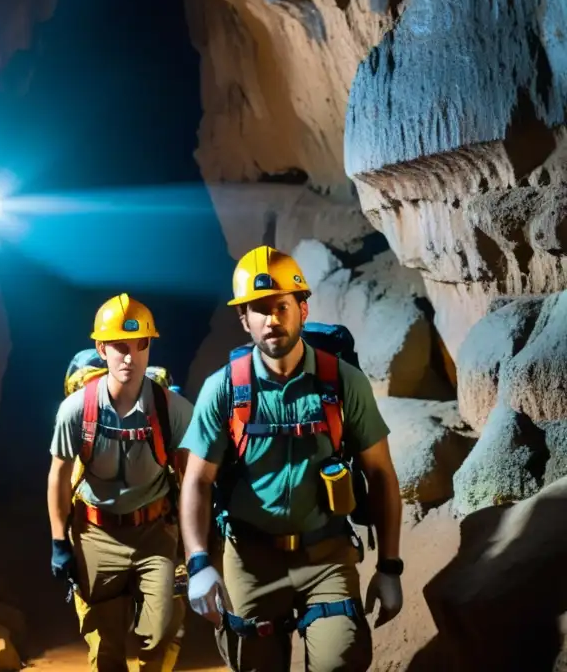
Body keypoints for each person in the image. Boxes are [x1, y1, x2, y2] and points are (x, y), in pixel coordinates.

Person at [178, 246, 404, 671]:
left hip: (327, 556)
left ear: (302, 307)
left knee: (340, 661)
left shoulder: (342, 383)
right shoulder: (224, 390)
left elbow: (381, 473)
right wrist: (199, 563)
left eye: (281, 306)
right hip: (250, 560)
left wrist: (390, 565)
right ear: (244, 320)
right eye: (258, 310)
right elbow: (197, 481)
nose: (272, 320)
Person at [47, 293, 195, 671]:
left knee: (161, 629)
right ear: (102, 348)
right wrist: (59, 542)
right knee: (105, 642)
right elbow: (59, 477)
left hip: (155, 532)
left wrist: (195, 547)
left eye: (140, 345)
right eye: (119, 346)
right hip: (96, 532)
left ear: (150, 346)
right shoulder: (77, 410)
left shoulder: (174, 411)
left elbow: (194, 480)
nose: (130, 356)